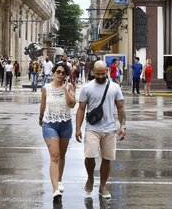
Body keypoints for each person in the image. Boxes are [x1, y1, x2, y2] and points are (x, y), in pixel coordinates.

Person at [75, 60, 126, 199]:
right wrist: (78, 128)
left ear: (107, 71)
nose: (101, 76)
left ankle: (103, 186)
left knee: (107, 158)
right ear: (93, 72)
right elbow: (81, 108)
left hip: (110, 129)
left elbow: (120, 108)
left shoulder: (115, 87)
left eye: (103, 73)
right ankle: (90, 178)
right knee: (89, 156)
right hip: (92, 128)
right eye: (98, 74)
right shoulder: (87, 88)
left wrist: (123, 126)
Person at [39, 63, 76, 202]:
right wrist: (40, 117)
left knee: (62, 155)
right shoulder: (46, 89)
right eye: (58, 72)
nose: (60, 75)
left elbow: (72, 104)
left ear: (66, 75)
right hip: (49, 124)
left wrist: (66, 89)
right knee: (55, 156)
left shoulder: (69, 87)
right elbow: (43, 104)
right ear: (54, 72)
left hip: (65, 124)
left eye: (63, 73)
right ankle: (55, 190)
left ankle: (59, 179)